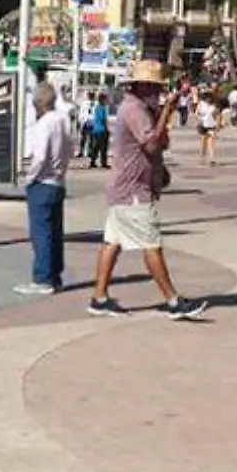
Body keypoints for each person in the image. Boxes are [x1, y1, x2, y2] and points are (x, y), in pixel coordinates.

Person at [88, 60, 207, 320]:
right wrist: (166, 112)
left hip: (127, 187)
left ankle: (99, 297)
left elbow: (160, 142)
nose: (157, 93)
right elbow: (151, 145)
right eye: (154, 88)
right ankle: (173, 301)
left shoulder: (142, 108)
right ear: (142, 86)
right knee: (151, 243)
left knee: (112, 242)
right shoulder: (134, 109)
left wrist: (164, 114)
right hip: (132, 191)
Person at [17, 81, 72, 296]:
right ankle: (55, 275)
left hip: (42, 182)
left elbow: (39, 157)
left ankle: (42, 278)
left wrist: (29, 177)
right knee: (55, 232)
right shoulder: (63, 120)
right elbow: (70, 148)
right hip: (58, 181)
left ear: (38, 103)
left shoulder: (44, 124)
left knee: (41, 232)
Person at [84, 93, 111, 169]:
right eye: (106, 99)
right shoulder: (102, 108)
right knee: (103, 147)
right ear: (102, 100)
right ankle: (103, 163)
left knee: (96, 147)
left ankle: (92, 161)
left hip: (96, 129)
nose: (107, 101)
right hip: (101, 130)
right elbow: (103, 120)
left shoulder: (96, 108)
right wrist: (107, 129)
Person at [195, 92, 221, 167]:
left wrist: (218, 124)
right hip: (203, 125)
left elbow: (218, 114)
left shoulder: (214, 105)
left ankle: (211, 159)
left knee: (211, 142)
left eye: (209, 98)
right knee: (203, 143)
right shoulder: (201, 104)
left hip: (212, 125)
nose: (208, 100)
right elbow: (196, 114)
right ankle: (202, 158)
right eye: (206, 98)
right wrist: (199, 119)